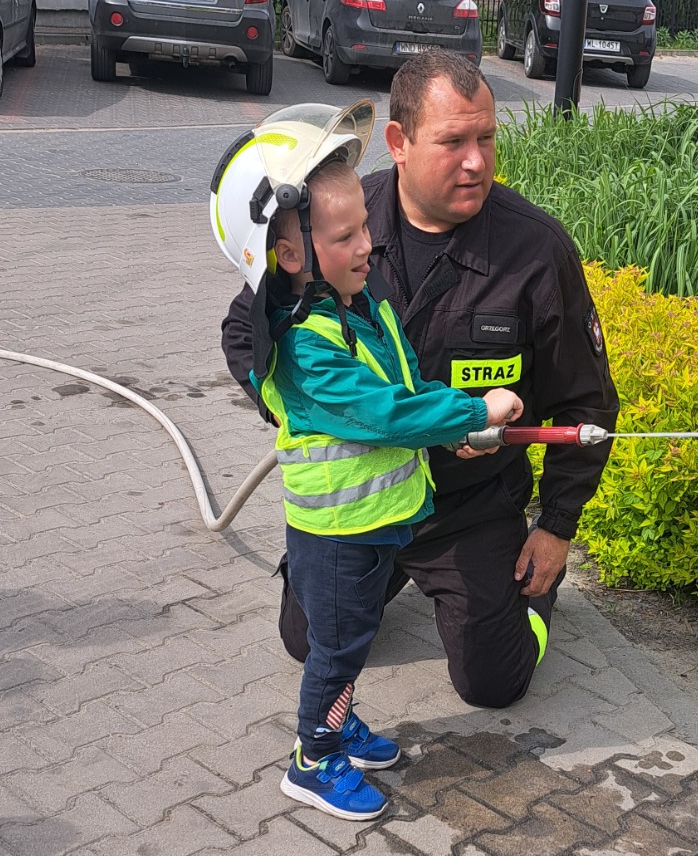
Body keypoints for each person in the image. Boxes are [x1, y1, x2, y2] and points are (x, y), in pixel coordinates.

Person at [222, 51, 619, 710]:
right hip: (365, 507)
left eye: (486, 138)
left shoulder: (535, 251)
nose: (477, 161)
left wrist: (555, 527)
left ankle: (530, 601)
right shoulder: (335, 219)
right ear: (399, 142)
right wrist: (309, 408)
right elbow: (246, 332)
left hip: (468, 507)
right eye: (453, 142)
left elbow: (587, 400)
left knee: (493, 683)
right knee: (306, 643)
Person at [210, 99, 523, 821]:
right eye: (347, 235)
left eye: (365, 228)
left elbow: (404, 387)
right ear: (290, 255)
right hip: (337, 537)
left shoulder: (355, 307)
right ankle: (313, 759)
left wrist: (447, 419)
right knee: (338, 647)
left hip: (378, 523)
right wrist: (474, 412)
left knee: (347, 643)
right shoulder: (306, 348)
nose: (368, 246)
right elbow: (383, 412)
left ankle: (340, 724)